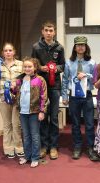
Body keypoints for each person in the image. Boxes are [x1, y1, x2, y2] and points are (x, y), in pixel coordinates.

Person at [31, 21, 65, 160]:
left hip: (55, 86)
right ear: (42, 31)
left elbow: (62, 66)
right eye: (46, 30)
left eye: (51, 30)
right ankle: (44, 146)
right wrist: (41, 68)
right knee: (42, 116)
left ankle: (53, 147)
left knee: (54, 117)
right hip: (40, 86)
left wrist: (55, 69)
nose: (49, 33)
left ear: (54, 32)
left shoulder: (60, 47)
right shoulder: (36, 47)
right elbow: (32, 64)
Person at [61, 36, 98, 161]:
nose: (80, 47)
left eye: (83, 45)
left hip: (87, 95)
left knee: (89, 124)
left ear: (86, 47)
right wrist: (64, 96)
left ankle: (90, 147)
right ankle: (77, 146)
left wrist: (86, 75)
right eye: (78, 45)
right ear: (75, 47)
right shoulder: (69, 62)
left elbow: (95, 79)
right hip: (73, 96)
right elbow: (65, 80)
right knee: (75, 124)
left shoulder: (92, 63)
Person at [0, 42, 24, 159]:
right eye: (6, 51)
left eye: (10, 50)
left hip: (17, 98)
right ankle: (8, 148)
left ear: (14, 52)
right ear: (3, 53)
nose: (8, 52)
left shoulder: (21, 64)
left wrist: (17, 84)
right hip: (2, 98)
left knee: (16, 124)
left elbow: (26, 79)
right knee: (7, 124)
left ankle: (18, 147)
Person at [14, 57, 48, 168]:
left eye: (30, 66)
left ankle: (35, 157)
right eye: (25, 66)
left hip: (35, 112)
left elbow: (44, 97)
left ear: (35, 67)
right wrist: (11, 88)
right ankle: (27, 156)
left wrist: (42, 111)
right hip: (23, 112)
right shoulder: (19, 79)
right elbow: (16, 93)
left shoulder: (40, 80)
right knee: (26, 135)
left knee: (35, 135)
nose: (27, 68)